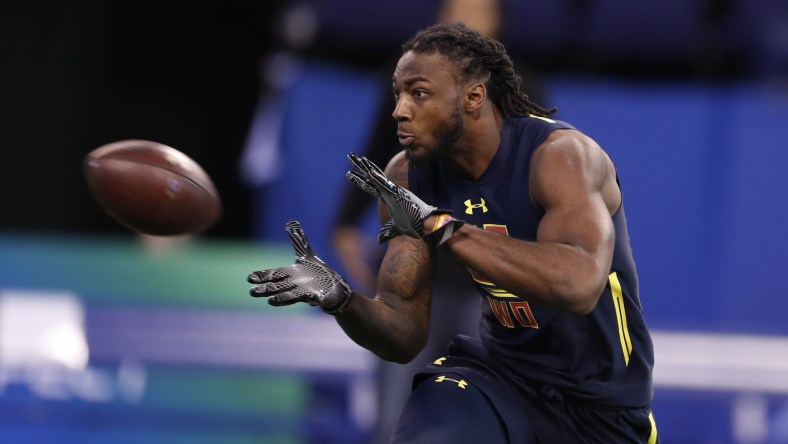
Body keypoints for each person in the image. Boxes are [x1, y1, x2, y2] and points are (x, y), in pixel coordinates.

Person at [248, 22, 658, 443]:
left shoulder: (560, 156)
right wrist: (342, 299)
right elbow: (403, 334)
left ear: (474, 97)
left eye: (419, 93)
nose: (399, 110)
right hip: (501, 378)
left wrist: (440, 226)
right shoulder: (407, 176)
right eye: (398, 93)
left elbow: (578, 284)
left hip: (601, 405)